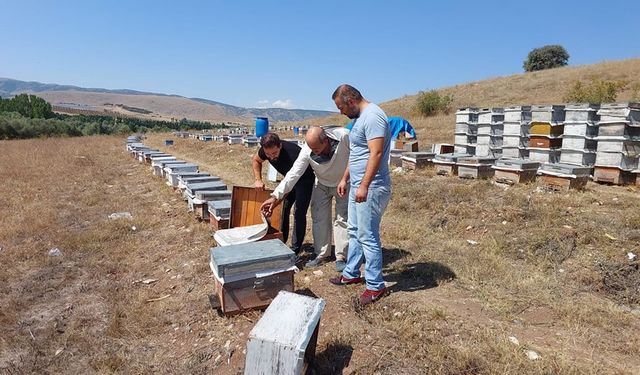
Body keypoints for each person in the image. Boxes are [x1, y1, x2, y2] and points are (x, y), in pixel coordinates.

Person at [328, 84, 393, 306]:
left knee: (368, 235)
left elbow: (375, 153)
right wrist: (346, 178)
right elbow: (357, 152)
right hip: (358, 185)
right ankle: (352, 272)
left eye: (341, 107)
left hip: (372, 186)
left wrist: (364, 184)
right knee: (354, 230)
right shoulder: (360, 119)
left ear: (351, 100)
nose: (340, 112)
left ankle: (376, 286)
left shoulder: (373, 116)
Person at [261, 126, 350, 271]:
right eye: (311, 148)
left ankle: (342, 257)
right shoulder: (307, 150)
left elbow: (356, 156)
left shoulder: (344, 136)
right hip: (321, 183)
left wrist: (346, 179)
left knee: (342, 219)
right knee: (318, 217)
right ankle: (321, 254)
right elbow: (293, 174)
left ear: (326, 140)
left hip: (344, 182)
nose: (314, 151)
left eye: (316, 148)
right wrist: (275, 196)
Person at [252, 132, 314, 254]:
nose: (271, 157)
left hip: (304, 180)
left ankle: (295, 250)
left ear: (280, 146)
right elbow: (256, 160)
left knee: (299, 212)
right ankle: (282, 242)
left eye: (274, 153)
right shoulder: (266, 151)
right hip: (288, 179)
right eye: (268, 154)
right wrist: (258, 180)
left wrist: (277, 198)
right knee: (284, 209)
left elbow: (292, 179)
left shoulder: (293, 154)